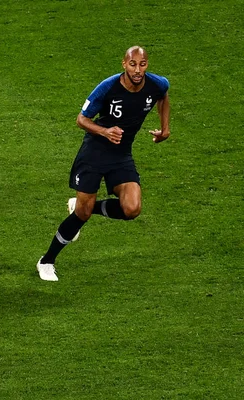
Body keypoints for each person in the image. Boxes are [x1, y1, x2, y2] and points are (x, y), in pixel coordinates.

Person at [37, 46, 171, 281]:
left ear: (147, 65)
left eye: (142, 64)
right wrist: (105, 131)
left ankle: (82, 206)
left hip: (121, 155)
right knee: (83, 213)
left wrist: (165, 129)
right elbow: (81, 119)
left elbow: (164, 95)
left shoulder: (156, 84)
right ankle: (47, 261)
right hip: (95, 153)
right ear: (124, 64)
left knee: (132, 208)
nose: (137, 70)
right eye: (132, 64)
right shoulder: (108, 87)